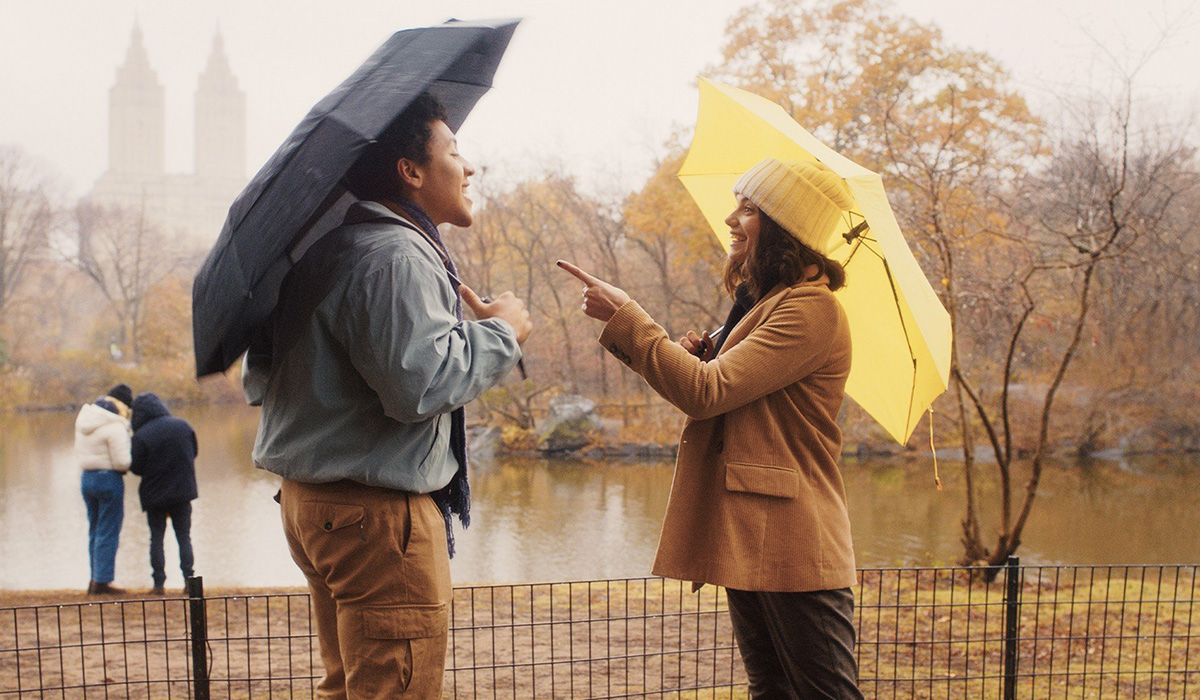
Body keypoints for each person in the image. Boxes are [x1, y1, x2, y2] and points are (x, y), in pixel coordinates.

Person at [242, 93, 532, 699]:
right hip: (376, 522)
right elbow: (421, 386)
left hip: (315, 508)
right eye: (454, 150)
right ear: (412, 171)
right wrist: (504, 332)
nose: (470, 166)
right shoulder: (396, 256)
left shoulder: (326, 251)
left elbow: (259, 377)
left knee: (348, 688)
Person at [559, 158, 864, 699]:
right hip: (751, 532)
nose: (730, 218)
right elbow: (704, 389)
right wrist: (690, 356)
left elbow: (706, 393)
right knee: (770, 693)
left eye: (748, 209)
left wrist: (627, 314)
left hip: (797, 542)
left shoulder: (811, 310)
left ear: (783, 226)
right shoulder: (766, 304)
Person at [129, 392, 198, 594]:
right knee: (184, 537)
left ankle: (158, 584)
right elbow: (193, 453)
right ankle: (189, 581)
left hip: (155, 494)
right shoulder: (183, 426)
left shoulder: (141, 436)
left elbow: (136, 467)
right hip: (182, 492)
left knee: (156, 538)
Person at [76, 383, 133, 595]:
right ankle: (104, 581)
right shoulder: (115, 425)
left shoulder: (84, 420)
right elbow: (122, 462)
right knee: (108, 530)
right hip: (109, 479)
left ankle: (94, 578)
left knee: (95, 529)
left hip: (87, 478)